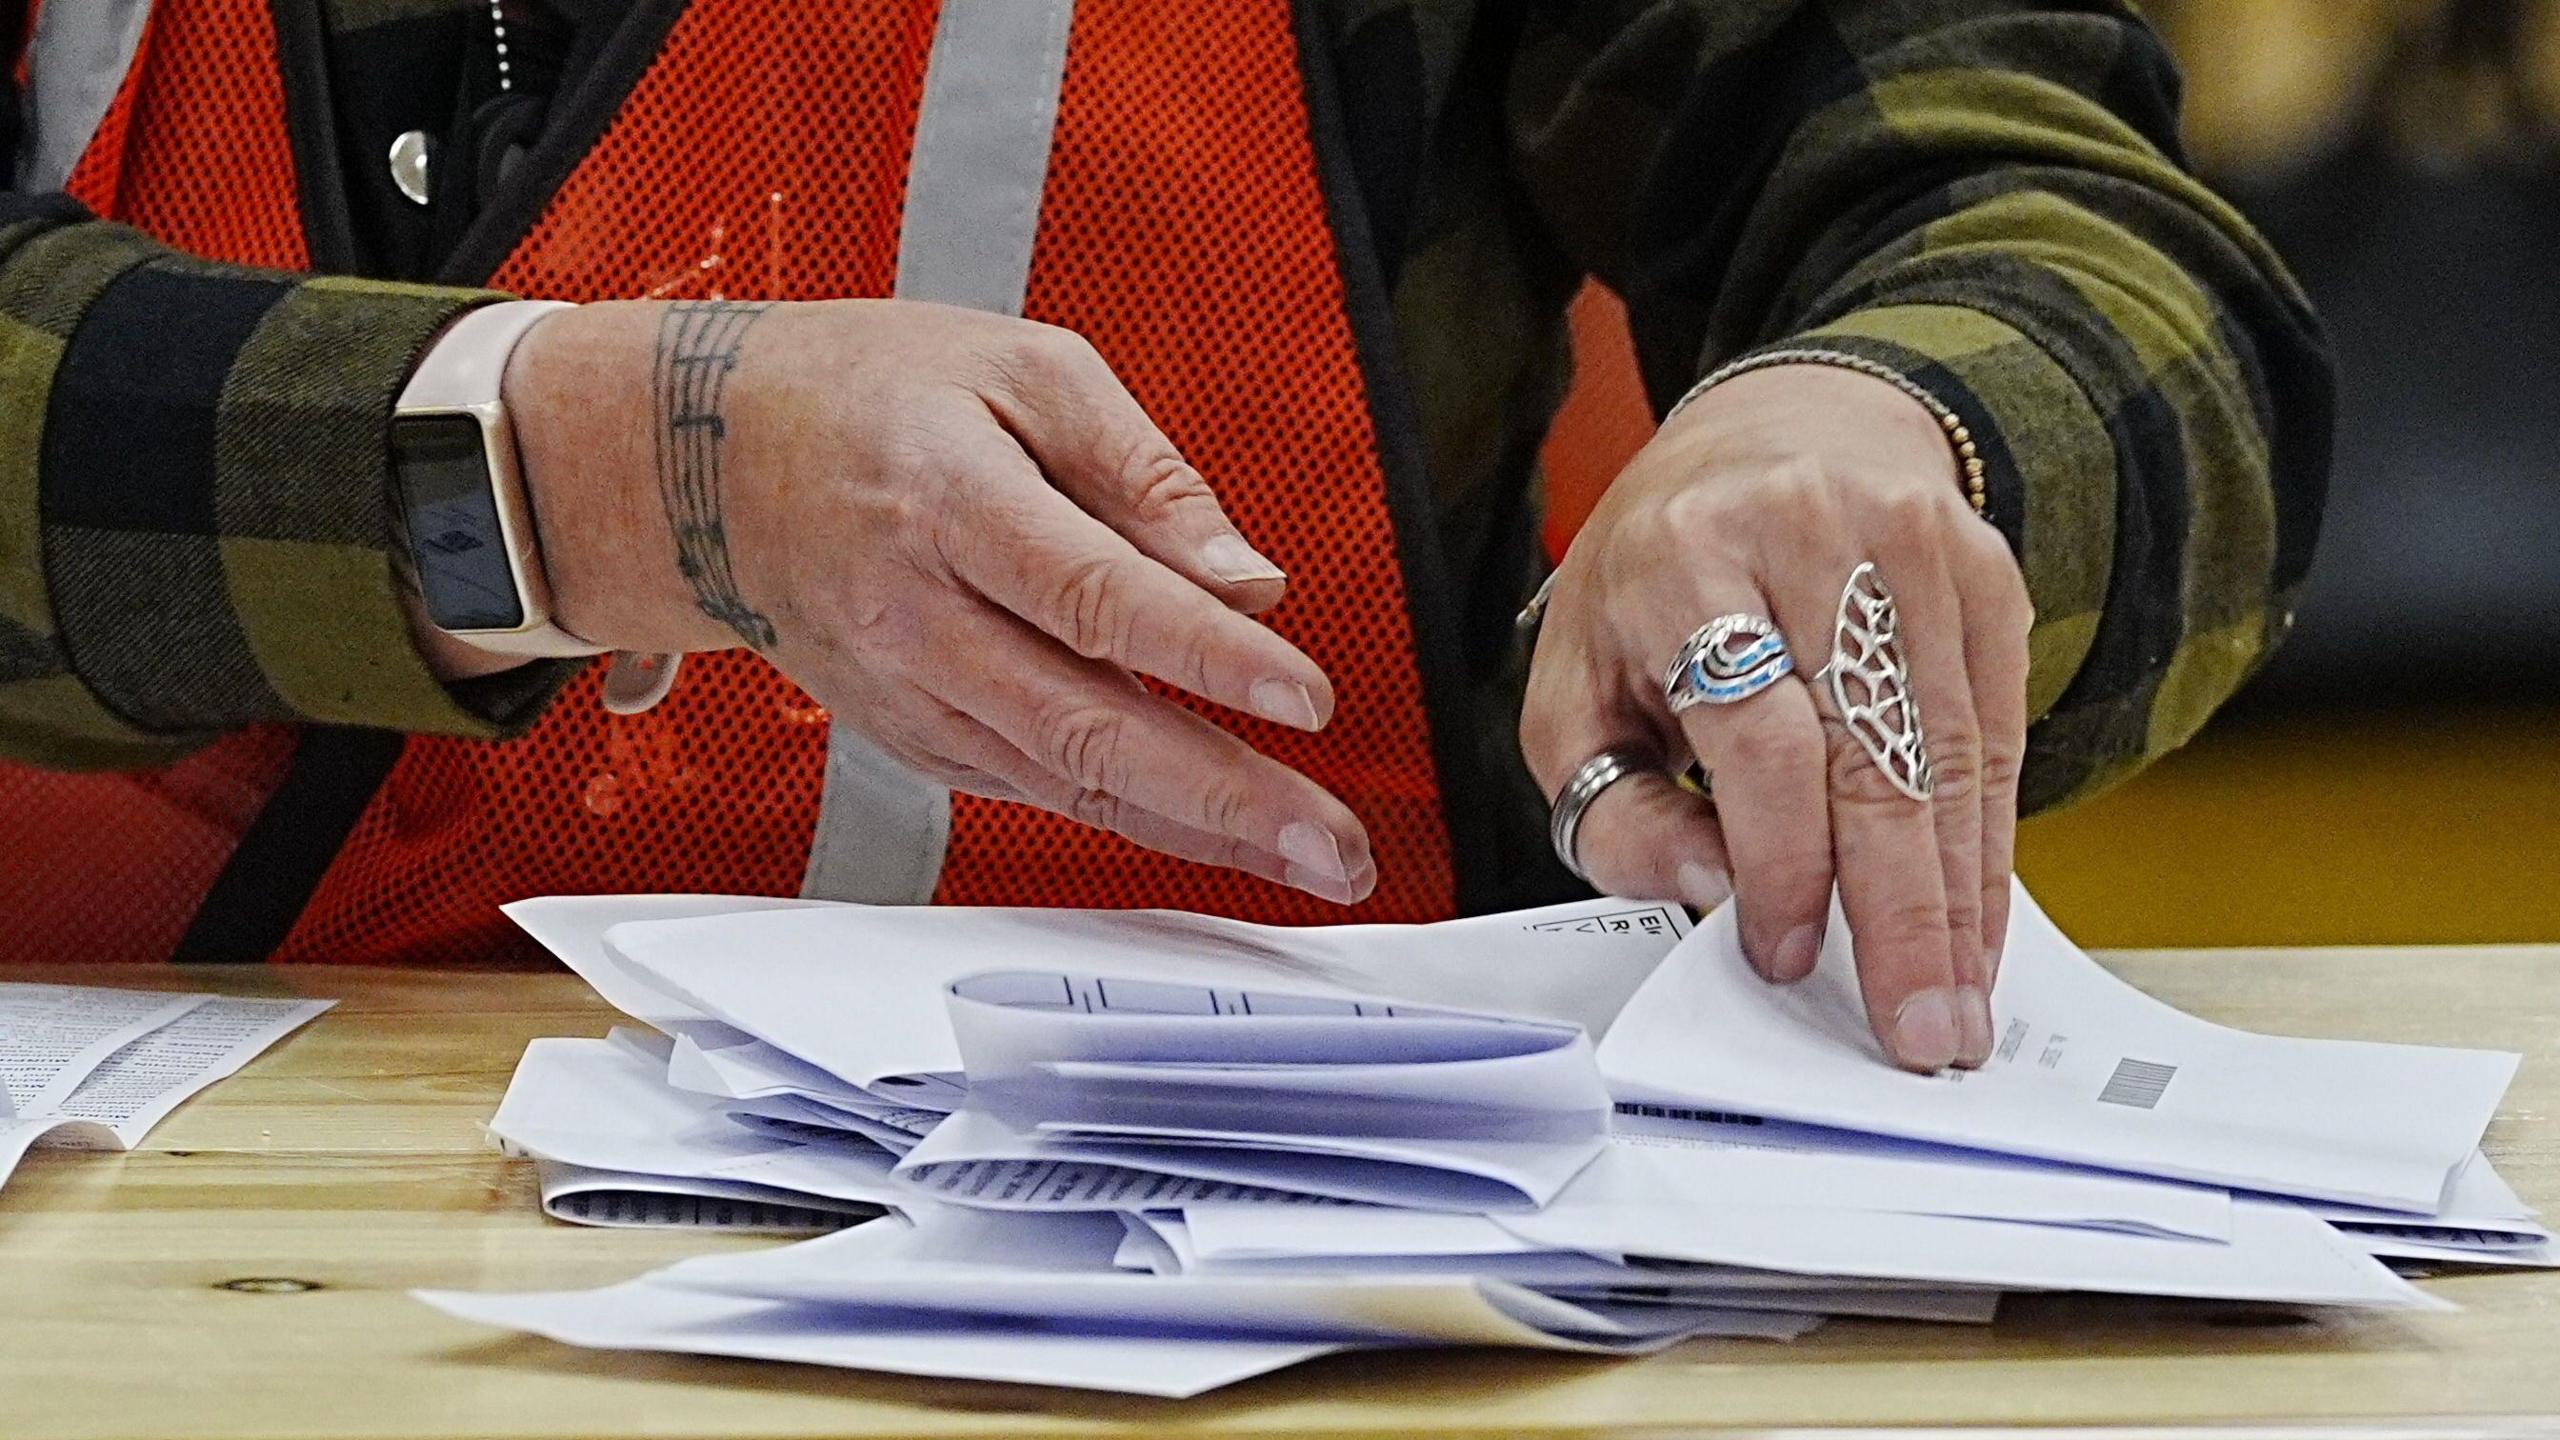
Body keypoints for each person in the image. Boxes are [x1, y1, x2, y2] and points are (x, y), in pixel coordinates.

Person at [0, 0, 2327, 1075]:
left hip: (1327, 1265)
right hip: (138, 1240)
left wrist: (1876, 426)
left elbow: (2082, 245)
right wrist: (576, 472)